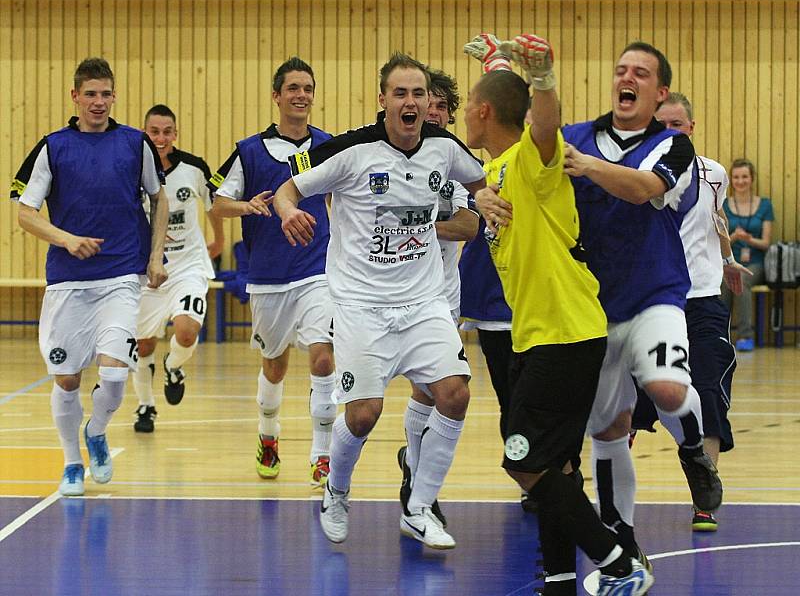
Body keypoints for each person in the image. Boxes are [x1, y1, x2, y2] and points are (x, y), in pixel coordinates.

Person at [481, 41, 721, 571]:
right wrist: (481, 196)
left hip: (655, 294)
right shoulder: (575, 136)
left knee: (666, 387)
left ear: (659, 94)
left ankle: (693, 450)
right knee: (608, 433)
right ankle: (623, 541)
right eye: (620, 70)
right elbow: (521, 159)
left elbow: (640, 190)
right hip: (591, 310)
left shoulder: (670, 146)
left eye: (641, 73)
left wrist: (587, 167)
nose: (626, 78)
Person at [271, 53, 486, 550]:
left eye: (418, 94)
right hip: (361, 306)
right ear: (383, 101)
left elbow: (478, 183)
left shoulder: (442, 147)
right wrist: (285, 212)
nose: (410, 103)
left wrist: (485, 199)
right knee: (364, 413)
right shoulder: (349, 151)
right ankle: (337, 491)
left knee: (455, 394)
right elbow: (287, 190)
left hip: (423, 301)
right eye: (401, 94)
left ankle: (418, 507)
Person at [464, 33, 654, 596]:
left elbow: (540, 120)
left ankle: (619, 561)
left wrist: (543, 77)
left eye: (469, 110)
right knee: (558, 466)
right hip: (540, 338)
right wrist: (500, 58)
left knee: (523, 461)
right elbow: (511, 102)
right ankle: (560, 580)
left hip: (563, 335)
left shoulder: (531, 159)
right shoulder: (494, 173)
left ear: (481, 112)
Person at [11, 58, 169, 496]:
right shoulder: (53, 146)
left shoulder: (135, 144)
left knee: (115, 374)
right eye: (91, 94)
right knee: (66, 379)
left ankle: (96, 429)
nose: (99, 102)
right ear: (75, 96)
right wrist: (66, 239)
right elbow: (26, 214)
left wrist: (155, 256)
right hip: (67, 281)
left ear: (114, 97)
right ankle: (71, 463)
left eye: (106, 94)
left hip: (121, 275)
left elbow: (160, 199)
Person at [210, 57, 337, 487]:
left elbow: (347, 196)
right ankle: (268, 436)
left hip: (317, 269)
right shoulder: (249, 150)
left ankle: (323, 454)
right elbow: (217, 202)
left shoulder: (328, 145)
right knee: (275, 365)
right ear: (277, 96)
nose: (302, 95)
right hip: (267, 276)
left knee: (323, 356)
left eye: (308, 88)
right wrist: (247, 206)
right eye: (294, 88)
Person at [628, 92, 751, 532]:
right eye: (662, 126)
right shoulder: (639, 175)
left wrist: (728, 258)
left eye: (677, 125)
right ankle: (613, 498)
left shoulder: (713, 173)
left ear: (691, 128)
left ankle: (705, 495)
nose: (670, 133)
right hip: (652, 298)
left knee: (709, 389)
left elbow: (716, 220)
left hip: (701, 300)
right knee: (632, 399)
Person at [397, 67, 479, 529]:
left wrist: (416, 227)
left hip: (443, 296)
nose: (433, 113)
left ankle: (417, 481)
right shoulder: (390, 158)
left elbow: (469, 226)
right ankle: (418, 481)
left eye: (441, 108)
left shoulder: (455, 162)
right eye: (426, 106)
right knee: (430, 391)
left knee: (433, 392)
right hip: (393, 294)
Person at [131, 104, 224, 432]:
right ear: (145, 133)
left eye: (167, 131)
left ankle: (173, 367)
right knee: (142, 344)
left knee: (187, 330)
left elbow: (213, 204)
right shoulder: (132, 168)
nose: (160, 138)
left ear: (175, 134)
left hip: (187, 266)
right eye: (154, 132)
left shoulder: (193, 168)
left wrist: (219, 239)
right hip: (148, 268)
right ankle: (145, 407)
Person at [721, 158, 774, 351]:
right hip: (729, 259)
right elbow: (720, 238)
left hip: (755, 262)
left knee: (741, 278)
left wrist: (750, 239)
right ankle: (721, 334)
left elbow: (766, 243)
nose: (740, 181)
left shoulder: (765, 205)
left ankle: (745, 335)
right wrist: (734, 237)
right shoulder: (724, 205)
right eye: (736, 177)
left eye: (744, 177)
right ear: (731, 180)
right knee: (725, 279)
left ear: (752, 179)